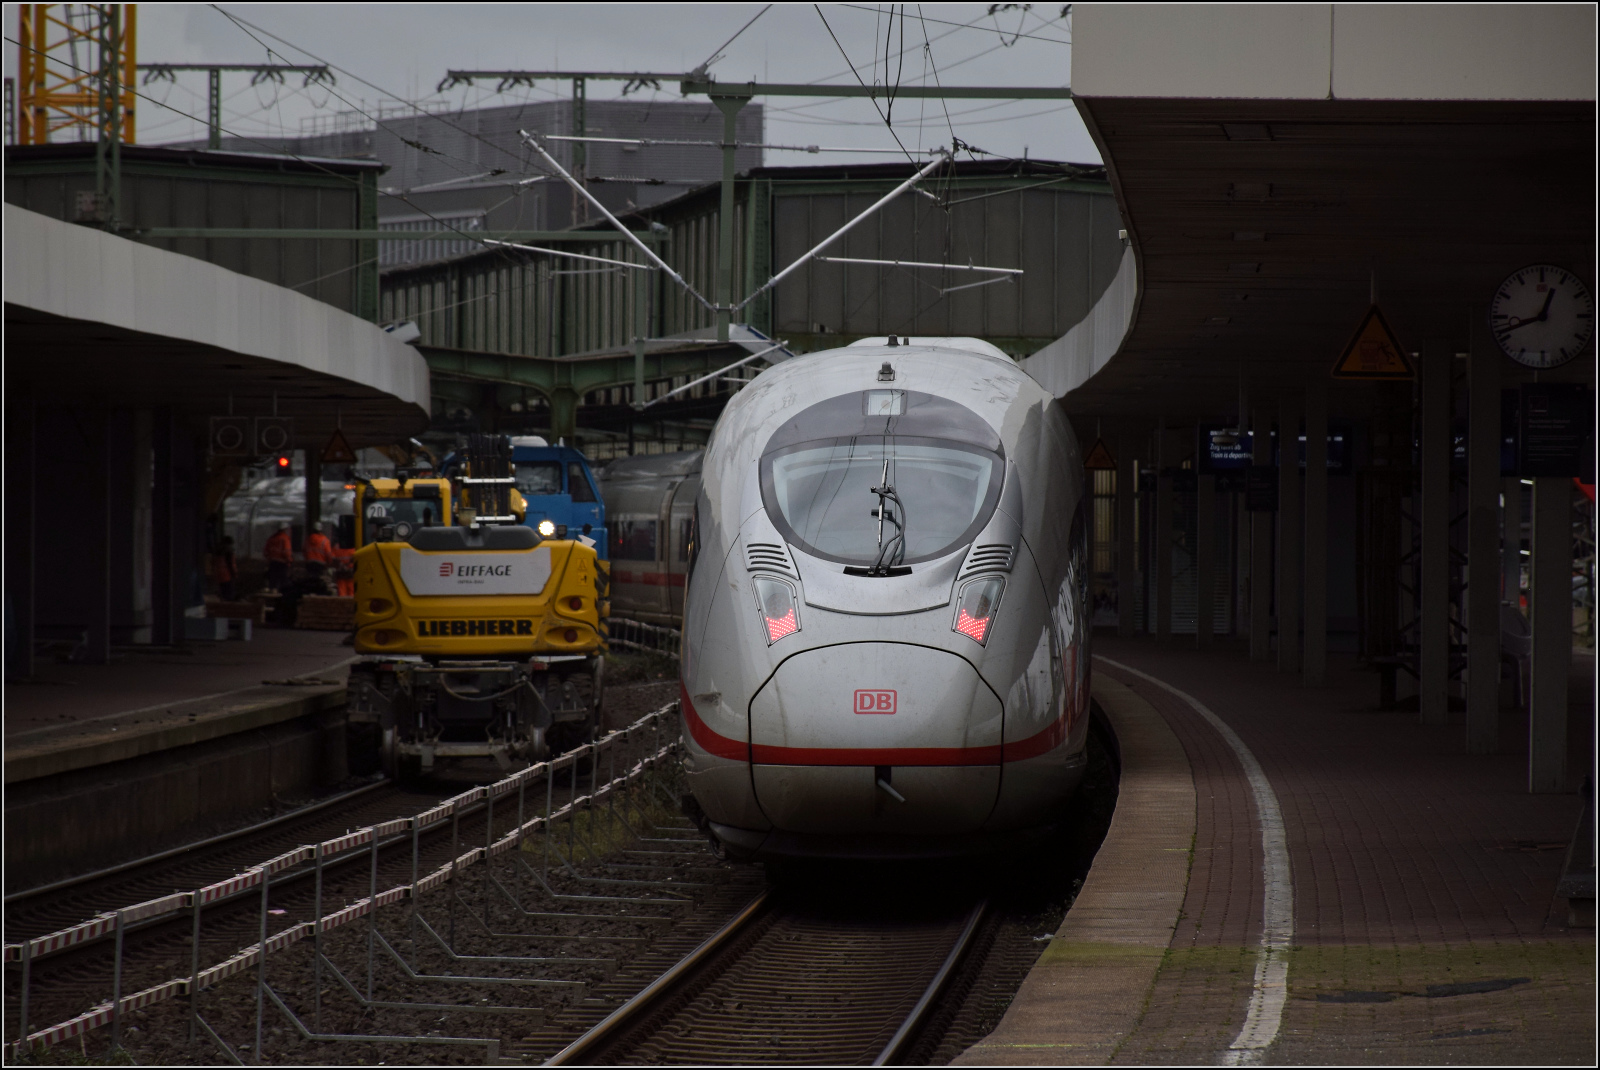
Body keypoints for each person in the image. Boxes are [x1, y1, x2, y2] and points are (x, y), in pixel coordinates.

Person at [264, 522, 294, 592]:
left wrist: (269, 559)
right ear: (285, 529)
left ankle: (272, 591)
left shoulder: (272, 538)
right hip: (282, 563)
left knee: (273, 580)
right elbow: (286, 552)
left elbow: (266, 551)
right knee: (283, 580)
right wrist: (290, 560)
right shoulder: (285, 538)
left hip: (272, 562)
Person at [210, 536, 239, 601]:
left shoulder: (217, 551)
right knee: (229, 594)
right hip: (227, 575)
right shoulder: (228, 551)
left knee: (223, 593)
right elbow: (230, 565)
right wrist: (234, 574)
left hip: (219, 575)